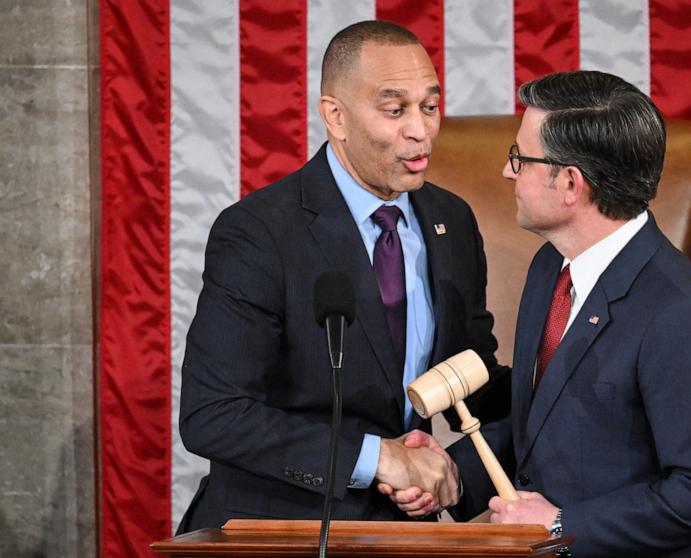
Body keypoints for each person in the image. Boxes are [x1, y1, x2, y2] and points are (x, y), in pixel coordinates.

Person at [387, 71, 691, 557]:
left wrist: (561, 524)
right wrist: (454, 475)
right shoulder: (552, 267)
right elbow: (549, 423)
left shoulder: (682, 317)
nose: (507, 172)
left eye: (519, 158)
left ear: (569, 183)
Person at [176, 20, 508, 532]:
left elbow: (472, 374)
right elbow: (214, 414)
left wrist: (580, 391)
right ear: (336, 116)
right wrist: (379, 458)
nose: (420, 130)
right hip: (279, 526)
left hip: (402, 531)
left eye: (430, 106)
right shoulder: (260, 231)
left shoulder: (452, 221)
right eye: (395, 110)